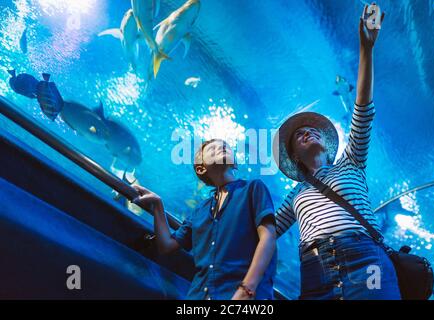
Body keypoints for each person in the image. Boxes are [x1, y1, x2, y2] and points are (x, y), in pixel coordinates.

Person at [273, 4, 401, 299]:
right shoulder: (294, 196)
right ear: (293, 156)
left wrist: (366, 50)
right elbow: (266, 232)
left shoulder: (351, 162)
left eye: (311, 129)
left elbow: (363, 110)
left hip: (364, 258)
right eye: (299, 135)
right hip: (315, 267)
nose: (307, 131)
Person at [133, 139, 277, 300]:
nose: (222, 146)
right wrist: (158, 205)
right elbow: (166, 246)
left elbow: (268, 237)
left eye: (225, 146)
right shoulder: (200, 211)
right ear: (201, 168)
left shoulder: (253, 188)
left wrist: (246, 289)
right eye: (213, 148)